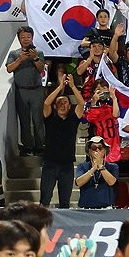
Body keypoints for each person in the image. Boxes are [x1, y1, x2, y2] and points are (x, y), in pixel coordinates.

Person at [40, 71, 81, 208]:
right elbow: (46, 103)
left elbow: (81, 104)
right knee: (45, 199)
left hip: (67, 166)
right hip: (50, 164)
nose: (63, 105)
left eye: (66, 103)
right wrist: (59, 87)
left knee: (65, 202)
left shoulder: (73, 120)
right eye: (60, 103)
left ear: (70, 106)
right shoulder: (50, 118)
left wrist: (73, 86)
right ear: (55, 107)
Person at [5, 25, 46, 156]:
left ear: (32, 38)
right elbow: (9, 69)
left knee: (38, 119)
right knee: (24, 120)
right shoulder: (14, 54)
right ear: (19, 39)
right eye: (23, 37)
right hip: (21, 90)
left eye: (28, 37)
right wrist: (20, 60)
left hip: (37, 90)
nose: (26, 39)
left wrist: (35, 58)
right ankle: (28, 146)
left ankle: (40, 145)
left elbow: (41, 69)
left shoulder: (38, 53)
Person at [75, 135, 120, 208]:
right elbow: (78, 183)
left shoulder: (113, 167)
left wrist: (100, 166)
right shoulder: (82, 166)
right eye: (94, 148)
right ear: (89, 151)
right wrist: (94, 168)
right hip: (86, 208)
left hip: (106, 208)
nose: (97, 150)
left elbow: (112, 182)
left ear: (105, 150)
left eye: (100, 147)